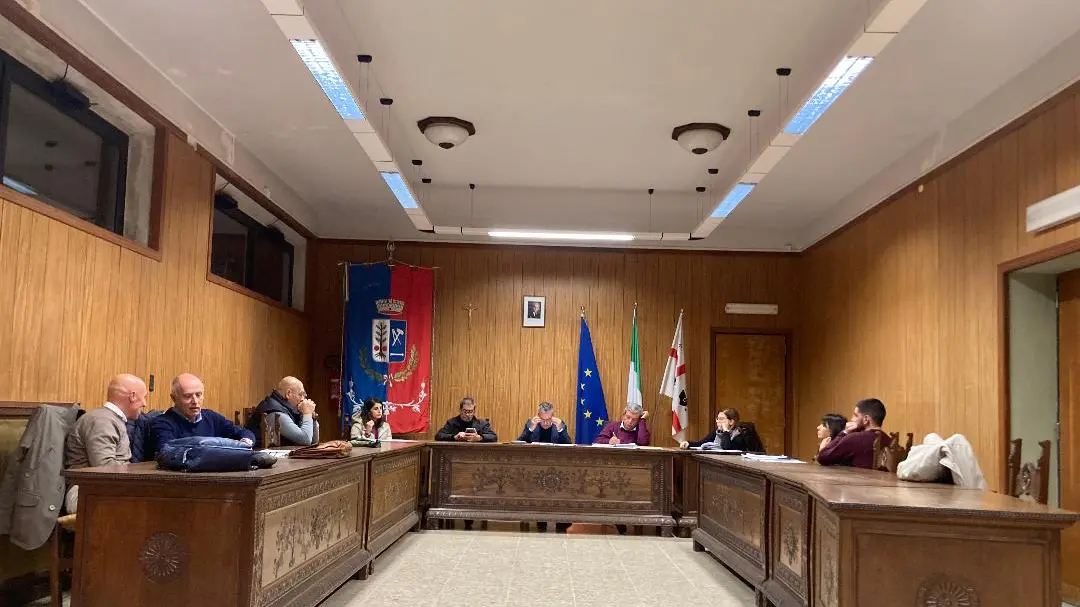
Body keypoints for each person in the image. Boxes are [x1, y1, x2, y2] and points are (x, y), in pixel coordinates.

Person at [63, 374, 148, 512]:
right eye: (144, 397)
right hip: (85, 493)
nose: (144, 403)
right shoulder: (102, 421)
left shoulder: (109, 419)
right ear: (132, 396)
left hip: (102, 489)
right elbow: (105, 469)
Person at [151, 373, 255, 449]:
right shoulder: (163, 423)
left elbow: (243, 432)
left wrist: (245, 442)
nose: (195, 401)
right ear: (174, 398)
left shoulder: (211, 417)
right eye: (188, 396)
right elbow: (166, 451)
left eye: (198, 395)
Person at [816, 398, 890, 468]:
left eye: (855, 415)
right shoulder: (890, 442)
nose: (852, 419)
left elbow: (822, 458)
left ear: (866, 419)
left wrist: (844, 432)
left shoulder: (854, 439)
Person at [247, 376, 319, 447]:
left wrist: (311, 416)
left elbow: (313, 441)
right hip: (258, 453)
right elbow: (305, 440)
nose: (303, 399)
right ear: (288, 394)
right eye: (300, 394)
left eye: (304, 395)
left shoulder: (289, 409)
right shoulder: (275, 412)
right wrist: (307, 414)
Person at [679, 408, 764, 451]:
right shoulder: (717, 432)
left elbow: (727, 447)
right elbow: (702, 443)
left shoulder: (742, 433)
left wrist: (726, 430)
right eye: (717, 419)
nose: (717, 421)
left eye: (721, 419)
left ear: (731, 421)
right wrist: (688, 443)